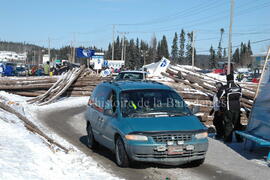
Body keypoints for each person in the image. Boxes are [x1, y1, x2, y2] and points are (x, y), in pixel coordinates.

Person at [217, 74, 243, 143]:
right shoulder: (238, 86)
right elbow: (241, 96)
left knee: (228, 123)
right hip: (237, 107)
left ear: (227, 79)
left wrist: (223, 100)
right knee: (237, 123)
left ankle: (228, 140)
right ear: (233, 78)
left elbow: (219, 95)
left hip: (228, 107)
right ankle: (239, 139)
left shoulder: (225, 87)